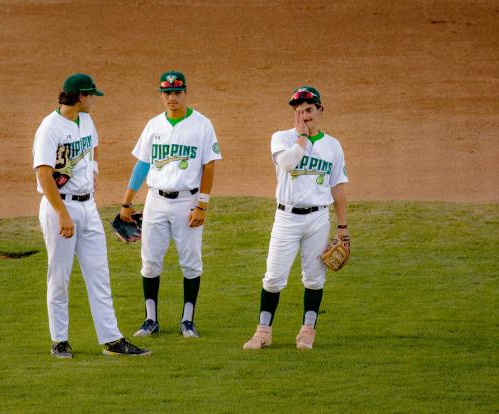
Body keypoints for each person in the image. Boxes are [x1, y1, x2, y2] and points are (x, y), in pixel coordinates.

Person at [32, 73, 150, 358]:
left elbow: (94, 144)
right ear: (81, 96)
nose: (93, 101)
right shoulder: (49, 128)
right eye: (91, 96)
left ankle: (111, 339)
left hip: (88, 207)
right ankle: (59, 341)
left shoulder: (85, 121)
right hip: (60, 207)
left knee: (99, 275)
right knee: (59, 276)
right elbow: (44, 174)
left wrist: (94, 170)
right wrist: (62, 215)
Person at [243, 86, 349, 351]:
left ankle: (307, 331)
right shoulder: (281, 138)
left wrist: (343, 227)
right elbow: (289, 163)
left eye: (309, 110)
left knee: (314, 278)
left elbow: (338, 187)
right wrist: (301, 137)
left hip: (318, 219)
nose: (304, 115)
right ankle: (263, 331)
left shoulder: (333, 146)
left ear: (320, 110)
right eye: (299, 111)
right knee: (273, 277)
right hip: (286, 218)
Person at [119, 70, 222, 338]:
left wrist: (202, 204)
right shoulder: (153, 125)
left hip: (187, 201)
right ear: (162, 95)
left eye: (177, 92)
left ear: (185, 93)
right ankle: (150, 320)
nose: (172, 97)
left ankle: (187, 321)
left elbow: (209, 166)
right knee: (150, 261)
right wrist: (127, 202)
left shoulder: (202, 125)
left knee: (190, 262)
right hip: (155, 200)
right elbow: (142, 164)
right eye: (167, 93)